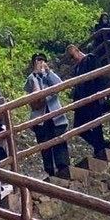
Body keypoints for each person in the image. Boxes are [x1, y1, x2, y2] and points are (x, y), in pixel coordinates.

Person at [24, 53, 71, 181]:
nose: (41, 63)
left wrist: (48, 72)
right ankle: (49, 170)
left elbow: (59, 84)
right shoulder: (31, 77)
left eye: (43, 60)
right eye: (38, 61)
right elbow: (29, 89)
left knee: (60, 140)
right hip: (40, 118)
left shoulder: (50, 75)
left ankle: (64, 167)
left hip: (56, 114)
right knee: (44, 144)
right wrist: (35, 73)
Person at [64, 43, 110, 161]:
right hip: (83, 100)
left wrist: (102, 94)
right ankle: (101, 144)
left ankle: (100, 148)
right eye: (71, 58)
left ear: (77, 50)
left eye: (73, 56)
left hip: (93, 96)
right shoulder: (77, 68)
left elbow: (100, 76)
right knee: (79, 127)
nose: (73, 59)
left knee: (96, 123)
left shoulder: (91, 59)